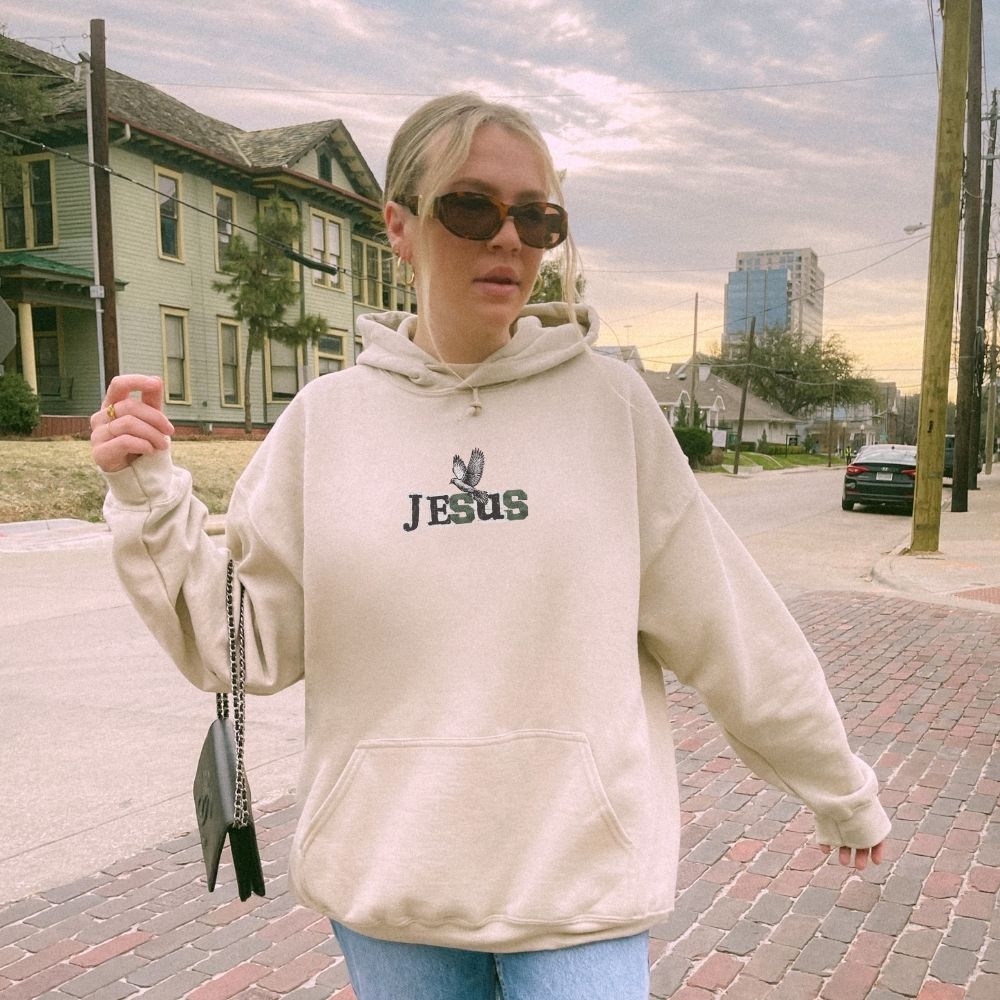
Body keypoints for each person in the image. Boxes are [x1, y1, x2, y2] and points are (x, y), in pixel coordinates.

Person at [90, 92, 889, 1000]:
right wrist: (149, 494)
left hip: (578, 885)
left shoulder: (611, 410)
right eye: (471, 207)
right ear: (399, 226)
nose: (508, 238)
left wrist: (838, 782)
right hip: (391, 881)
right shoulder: (325, 425)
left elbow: (728, 626)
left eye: (537, 217)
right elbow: (242, 646)